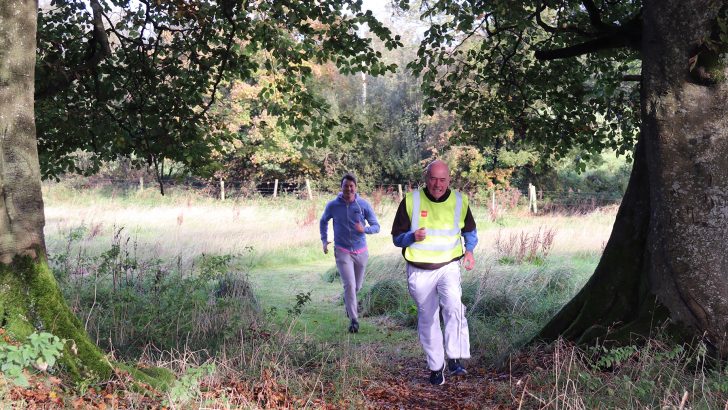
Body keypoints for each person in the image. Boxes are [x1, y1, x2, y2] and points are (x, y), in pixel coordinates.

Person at [391, 160, 477, 386]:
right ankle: (436, 368)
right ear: (426, 178)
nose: (437, 184)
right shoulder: (411, 200)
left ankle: (456, 358)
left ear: (449, 180)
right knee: (428, 318)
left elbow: (470, 232)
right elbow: (396, 238)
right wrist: (411, 237)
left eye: (442, 179)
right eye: (433, 178)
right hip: (420, 270)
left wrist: (469, 251)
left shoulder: (460, 201)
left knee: (454, 307)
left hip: (449, 265)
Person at [320, 173, 380, 333]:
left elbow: (376, 226)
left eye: (351, 186)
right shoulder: (333, 205)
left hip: (361, 251)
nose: (348, 188)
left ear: (356, 187)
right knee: (350, 284)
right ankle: (354, 320)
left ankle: (349, 304)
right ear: (341, 187)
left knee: (357, 286)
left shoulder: (363, 205)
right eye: (345, 185)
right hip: (342, 250)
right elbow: (323, 221)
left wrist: (364, 229)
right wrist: (324, 240)